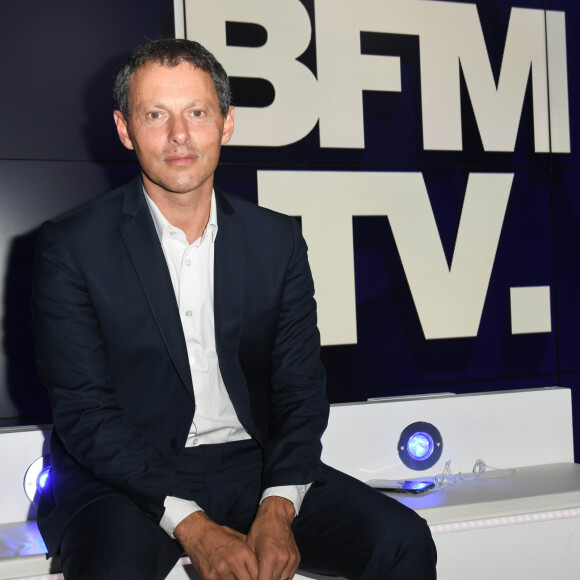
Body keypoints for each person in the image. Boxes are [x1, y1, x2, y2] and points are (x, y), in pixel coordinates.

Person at [32, 38, 436, 580]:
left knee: (403, 540)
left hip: (253, 465)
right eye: (156, 115)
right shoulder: (71, 247)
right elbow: (86, 415)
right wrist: (192, 523)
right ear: (126, 129)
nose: (179, 135)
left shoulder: (277, 241)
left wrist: (278, 504)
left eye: (197, 113)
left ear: (225, 123)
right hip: (123, 478)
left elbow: (300, 390)